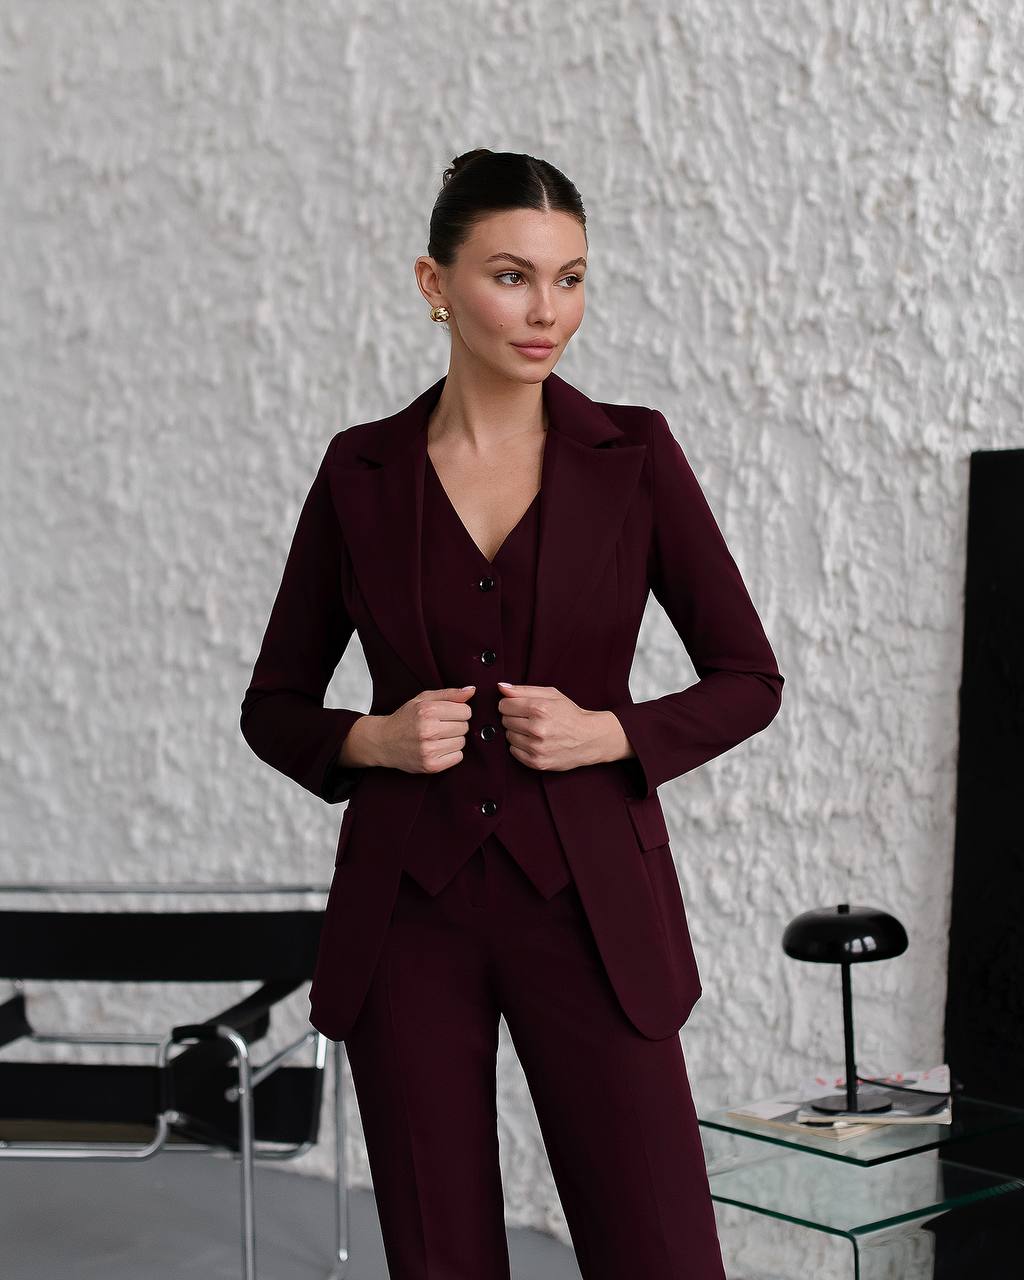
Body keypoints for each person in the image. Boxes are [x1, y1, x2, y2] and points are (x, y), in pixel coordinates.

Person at [240, 148, 785, 1279]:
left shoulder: (633, 457)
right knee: (440, 1256)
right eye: (512, 276)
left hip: (589, 905)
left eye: (571, 278)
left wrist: (615, 731)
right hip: (408, 917)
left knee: (661, 1250)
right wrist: (368, 738)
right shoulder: (361, 473)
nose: (548, 312)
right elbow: (274, 702)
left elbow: (747, 674)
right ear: (434, 283)